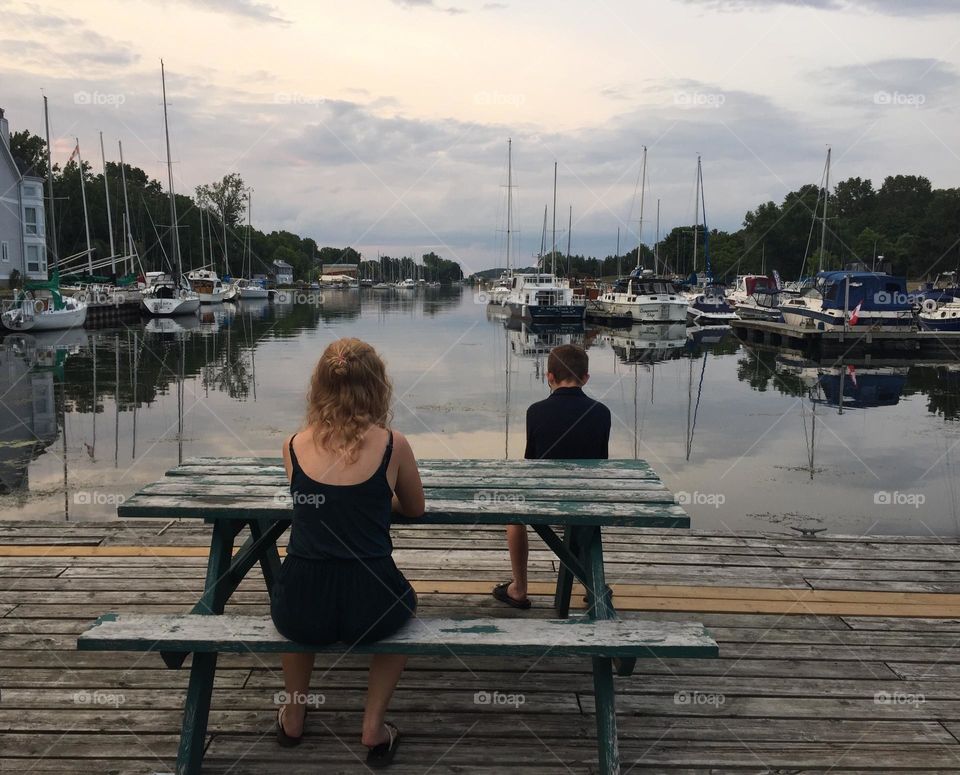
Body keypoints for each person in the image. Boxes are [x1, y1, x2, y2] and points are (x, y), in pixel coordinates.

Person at [271, 337, 424, 768]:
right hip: (372, 600)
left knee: (294, 614)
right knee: (405, 616)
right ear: (378, 387)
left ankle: (294, 716)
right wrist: (378, 502)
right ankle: (373, 727)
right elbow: (415, 508)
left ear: (319, 386)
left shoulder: (293, 444)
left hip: (303, 601)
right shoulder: (393, 444)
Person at [493, 343, 611, 609]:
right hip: (586, 500)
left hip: (544, 500)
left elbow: (532, 462)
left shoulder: (536, 411)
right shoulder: (601, 412)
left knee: (513, 517)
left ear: (549, 377)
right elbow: (600, 462)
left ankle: (519, 588)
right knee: (586, 521)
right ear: (586, 378)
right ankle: (593, 585)